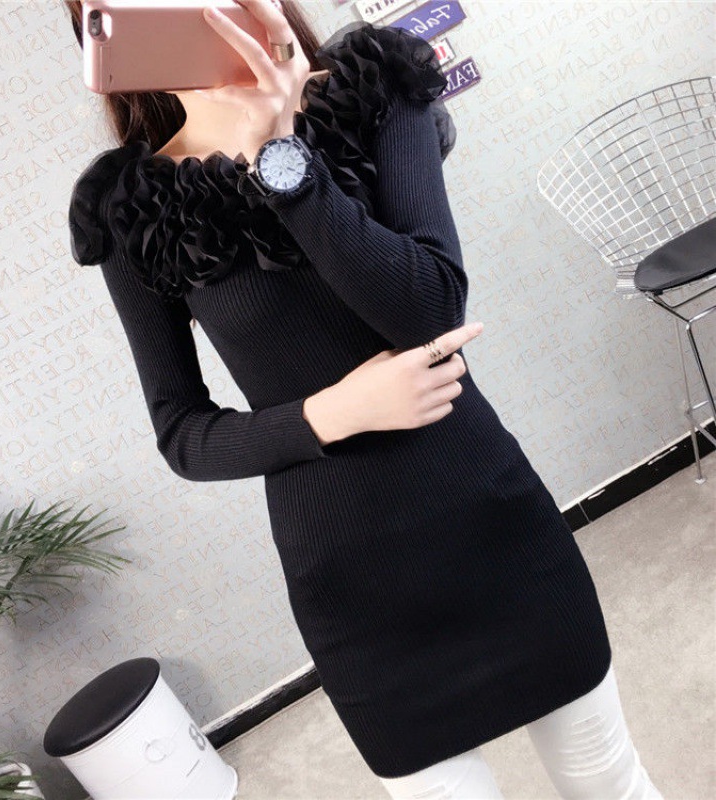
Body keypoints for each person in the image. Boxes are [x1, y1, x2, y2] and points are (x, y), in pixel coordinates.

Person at [64, 2, 664, 797]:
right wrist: (333, 413)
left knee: (609, 781)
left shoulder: (371, 90)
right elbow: (181, 432)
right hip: (354, 589)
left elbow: (430, 311)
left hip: (493, 528)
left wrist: (281, 158)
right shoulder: (133, 205)